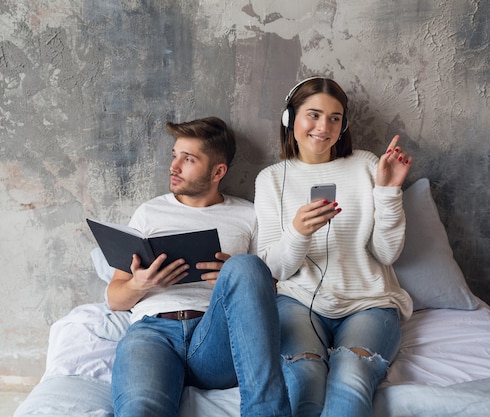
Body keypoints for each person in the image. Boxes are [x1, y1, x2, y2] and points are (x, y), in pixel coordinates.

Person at [107, 116, 291, 417]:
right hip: (154, 333)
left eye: (188, 159)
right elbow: (114, 298)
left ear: (218, 171)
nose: (174, 167)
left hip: (216, 338)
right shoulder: (149, 213)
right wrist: (142, 283)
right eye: (174, 155)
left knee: (246, 266)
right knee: (140, 409)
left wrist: (235, 279)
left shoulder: (249, 215)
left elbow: (270, 291)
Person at [254, 77, 414, 417]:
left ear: (343, 126)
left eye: (334, 118)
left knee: (352, 375)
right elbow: (272, 269)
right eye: (313, 115)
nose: (323, 127)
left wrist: (388, 192)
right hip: (298, 302)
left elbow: (387, 254)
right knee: (304, 378)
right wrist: (298, 233)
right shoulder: (270, 179)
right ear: (289, 120)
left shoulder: (367, 165)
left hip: (368, 303)